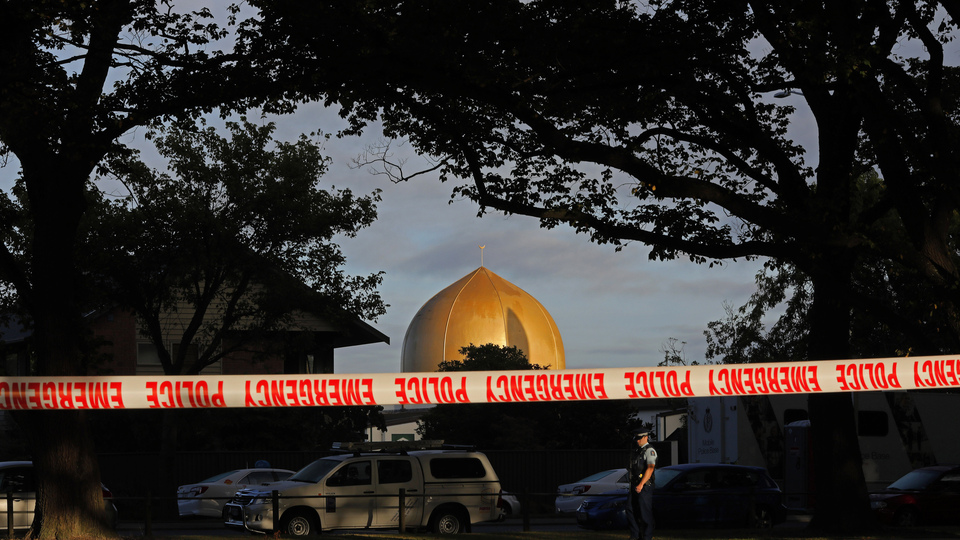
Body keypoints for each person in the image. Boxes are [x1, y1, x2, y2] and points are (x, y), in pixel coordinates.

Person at [627, 430, 657, 540]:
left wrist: (641, 484)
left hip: (645, 486)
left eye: (639, 438)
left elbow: (650, 468)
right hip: (635, 485)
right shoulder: (638, 451)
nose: (637, 440)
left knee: (645, 513)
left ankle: (647, 537)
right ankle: (635, 535)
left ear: (646, 437)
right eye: (636, 438)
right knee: (630, 509)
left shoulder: (649, 451)